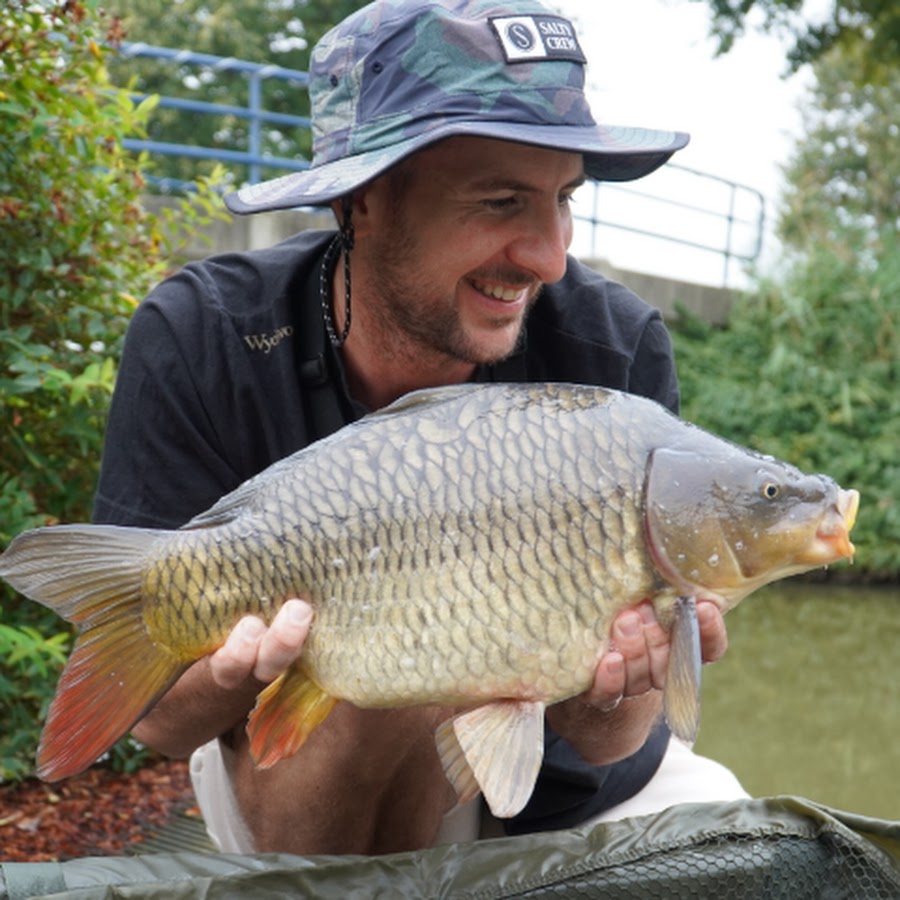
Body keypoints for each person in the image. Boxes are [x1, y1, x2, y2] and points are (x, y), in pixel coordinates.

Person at [93, 0, 747, 856]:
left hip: (564, 791)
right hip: (306, 779)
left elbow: (614, 739)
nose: (548, 257)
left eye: (563, 200)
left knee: (741, 851)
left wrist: (618, 685)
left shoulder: (612, 346)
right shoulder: (206, 338)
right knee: (383, 683)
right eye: (502, 200)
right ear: (364, 201)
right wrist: (224, 674)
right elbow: (164, 727)